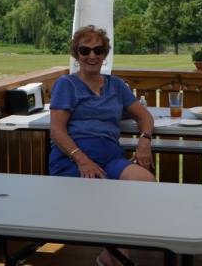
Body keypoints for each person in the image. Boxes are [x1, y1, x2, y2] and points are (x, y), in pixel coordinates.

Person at [48, 25, 156, 266]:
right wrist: (82, 159)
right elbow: (57, 130)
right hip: (73, 160)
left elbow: (145, 116)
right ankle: (117, 258)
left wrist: (144, 141)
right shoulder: (66, 85)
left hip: (110, 158)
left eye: (98, 50)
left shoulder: (116, 85)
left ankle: (112, 256)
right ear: (76, 54)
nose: (92, 56)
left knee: (146, 183)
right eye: (84, 50)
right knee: (114, 197)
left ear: (105, 53)